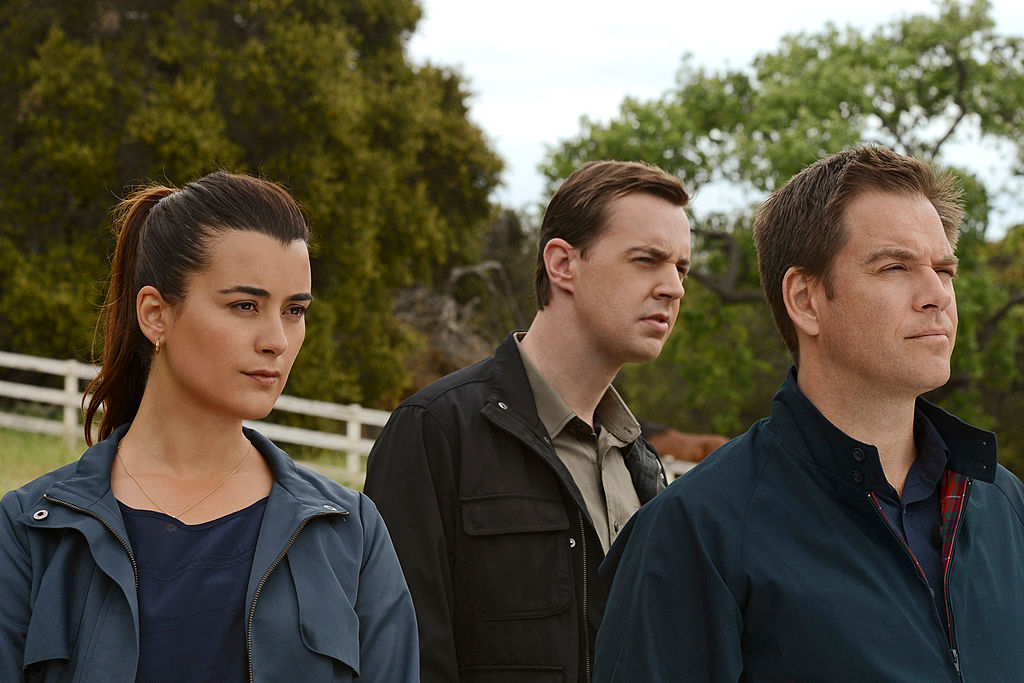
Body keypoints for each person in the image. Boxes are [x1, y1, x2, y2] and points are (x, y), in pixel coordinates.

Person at [594, 145, 1024, 681]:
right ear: (805, 299)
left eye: (944, 269)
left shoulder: (1004, 505)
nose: (937, 294)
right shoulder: (695, 532)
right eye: (894, 267)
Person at [0, 172, 418, 681]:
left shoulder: (352, 534)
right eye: (245, 305)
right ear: (155, 315)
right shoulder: (29, 533)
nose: (277, 340)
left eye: (294, 310)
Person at [364, 160, 692, 681]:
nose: (672, 287)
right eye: (647, 260)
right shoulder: (435, 431)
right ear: (563, 264)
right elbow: (400, 657)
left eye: (681, 268)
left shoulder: (642, 467)